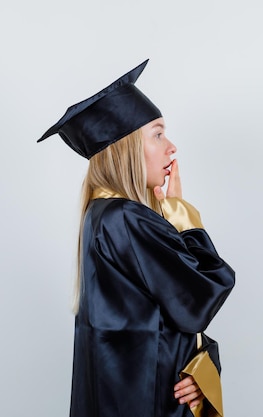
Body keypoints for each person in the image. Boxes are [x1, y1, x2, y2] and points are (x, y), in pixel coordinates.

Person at [38, 59, 235, 417]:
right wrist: (180, 212)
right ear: (126, 147)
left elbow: (164, 320)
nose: (171, 147)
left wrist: (202, 366)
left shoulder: (102, 216)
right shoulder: (127, 219)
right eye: (158, 134)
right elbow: (206, 292)